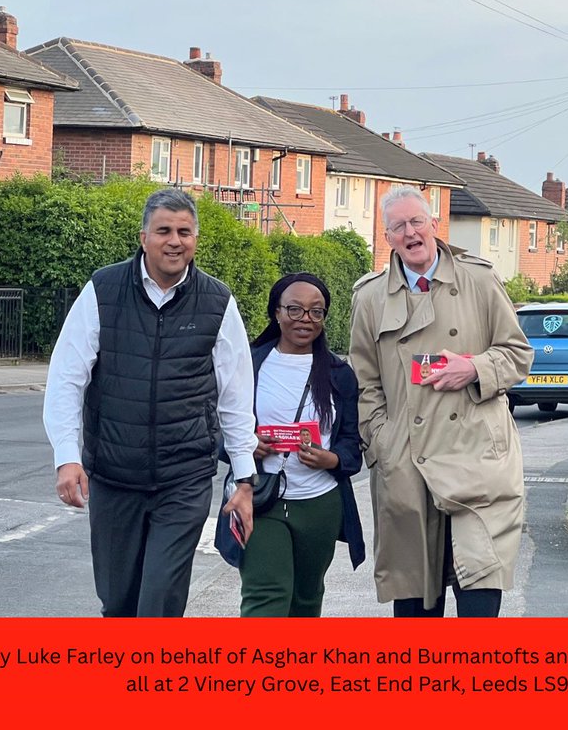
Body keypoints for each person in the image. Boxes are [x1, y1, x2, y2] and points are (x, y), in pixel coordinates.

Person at [43, 188, 258, 618]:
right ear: (144, 237)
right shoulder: (103, 290)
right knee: (119, 601)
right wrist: (67, 457)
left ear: (196, 239)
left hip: (184, 479)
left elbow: (236, 395)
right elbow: (66, 378)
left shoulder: (218, 302)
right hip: (114, 477)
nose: (174, 241)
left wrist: (244, 477)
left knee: (159, 600)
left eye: (184, 232)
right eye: (164, 231)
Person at [349, 186, 533, 618]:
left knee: (479, 592)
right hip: (407, 464)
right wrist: (382, 443)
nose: (410, 233)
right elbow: (364, 380)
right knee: (415, 602)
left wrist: (473, 369)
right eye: (398, 227)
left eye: (417, 222)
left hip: (478, 461)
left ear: (435, 225)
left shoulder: (480, 279)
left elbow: (517, 354)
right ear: (387, 236)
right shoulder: (370, 297)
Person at [214, 272, 365, 616]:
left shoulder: (340, 374)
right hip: (258, 496)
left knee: (306, 602)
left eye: (316, 312)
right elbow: (214, 428)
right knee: (265, 600)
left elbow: (351, 446)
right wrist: (244, 445)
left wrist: (331, 459)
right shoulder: (247, 365)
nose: (305, 319)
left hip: (320, 504)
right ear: (276, 313)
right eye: (294, 310)